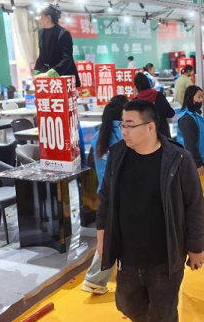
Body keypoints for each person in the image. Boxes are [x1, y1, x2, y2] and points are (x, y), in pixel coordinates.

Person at [96, 99, 204, 322]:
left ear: (150, 126)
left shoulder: (178, 159)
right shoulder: (117, 155)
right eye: (122, 125)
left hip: (164, 259)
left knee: (163, 314)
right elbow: (106, 198)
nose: (124, 131)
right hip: (128, 256)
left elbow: (194, 205)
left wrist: (196, 247)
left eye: (130, 125)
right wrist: (102, 237)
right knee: (127, 305)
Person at [83, 95, 129, 295]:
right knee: (113, 236)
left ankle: (97, 278)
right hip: (122, 194)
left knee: (113, 235)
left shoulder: (99, 135)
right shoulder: (124, 134)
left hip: (106, 191)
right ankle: (95, 278)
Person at [34, 5, 80, 86]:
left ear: (48, 18)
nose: (39, 19)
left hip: (65, 77)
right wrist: (36, 72)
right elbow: (42, 56)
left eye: (40, 16)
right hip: (49, 81)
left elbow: (67, 59)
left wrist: (49, 74)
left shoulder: (63, 33)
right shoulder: (41, 33)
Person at [177, 86, 204, 181]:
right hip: (195, 163)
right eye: (198, 97)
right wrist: (197, 164)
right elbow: (190, 144)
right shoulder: (187, 119)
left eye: (202, 97)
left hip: (201, 160)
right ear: (190, 98)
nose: (201, 100)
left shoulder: (194, 115)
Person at [134, 73, 175, 138]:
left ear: (136, 87)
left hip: (145, 138)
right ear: (148, 83)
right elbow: (171, 113)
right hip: (164, 136)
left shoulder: (135, 102)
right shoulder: (160, 95)